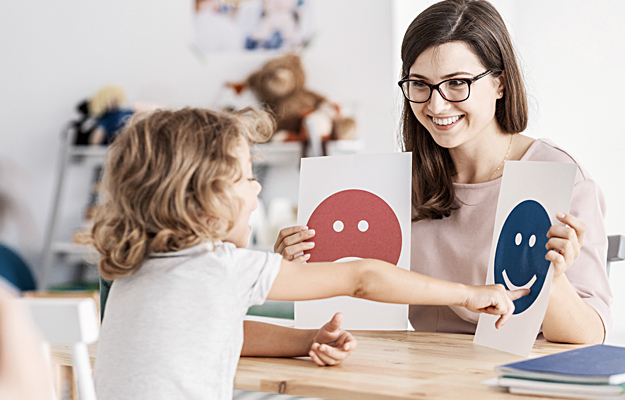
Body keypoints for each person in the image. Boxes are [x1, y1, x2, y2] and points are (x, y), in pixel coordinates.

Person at [88, 107, 526, 400]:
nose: (256, 187)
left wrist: (306, 339)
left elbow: (219, 328)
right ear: (200, 198)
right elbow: (363, 276)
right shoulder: (221, 268)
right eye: (244, 178)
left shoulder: (133, 270)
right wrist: (465, 294)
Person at [275, 0, 611, 345]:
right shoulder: (395, 184)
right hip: (425, 373)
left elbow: (589, 336)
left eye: (457, 83)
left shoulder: (555, 175)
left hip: (519, 376)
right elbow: (358, 301)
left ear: (500, 84)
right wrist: (295, 269)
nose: (436, 105)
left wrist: (551, 279)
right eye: (420, 84)